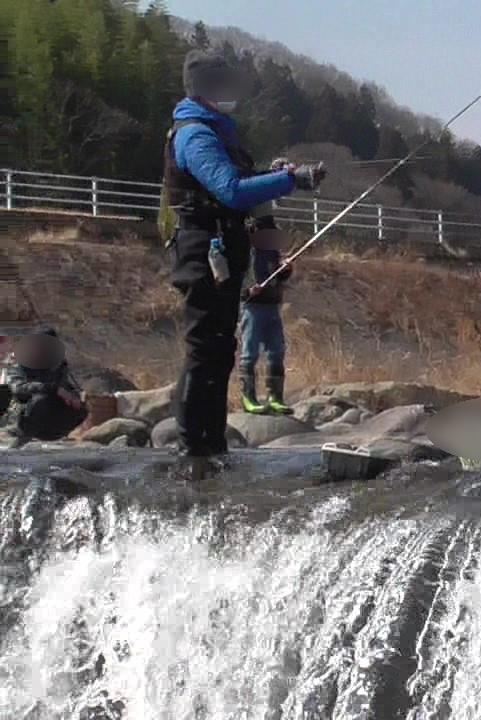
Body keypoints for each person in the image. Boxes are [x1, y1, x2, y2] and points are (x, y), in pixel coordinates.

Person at [163, 50, 325, 473]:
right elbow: (231, 190)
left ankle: (213, 444)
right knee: (204, 348)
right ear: (204, 88)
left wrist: (274, 172)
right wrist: (293, 179)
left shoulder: (220, 132)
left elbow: (241, 187)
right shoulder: (195, 134)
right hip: (203, 251)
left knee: (220, 348)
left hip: (224, 249)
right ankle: (192, 449)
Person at [239, 228, 294, 415]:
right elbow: (231, 281)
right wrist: (247, 291)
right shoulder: (243, 252)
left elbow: (278, 277)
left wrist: (286, 270)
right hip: (252, 308)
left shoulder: (271, 253)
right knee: (250, 353)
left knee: (277, 351)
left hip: (272, 306)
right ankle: (248, 397)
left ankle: (275, 397)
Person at [5, 327, 87, 443]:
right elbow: (18, 389)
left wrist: (74, 397)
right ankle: (22, 438)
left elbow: (67, 387)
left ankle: (58, 435)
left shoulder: (59, 365)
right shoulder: (20, 365)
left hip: (51, 417)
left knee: (83, 407)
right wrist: (52, 389)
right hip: (25, 415)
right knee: (40, 400)